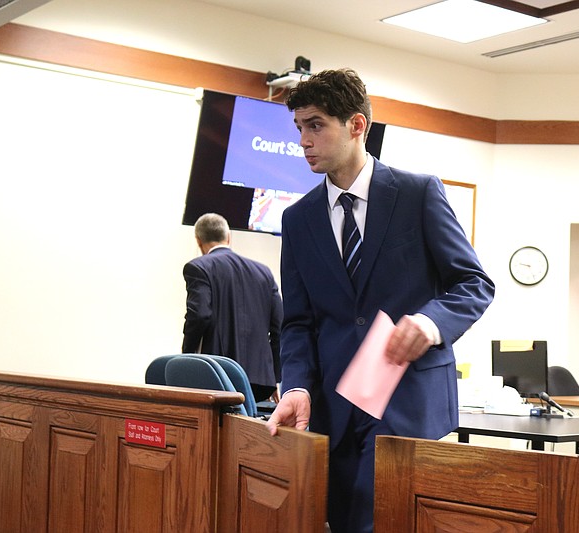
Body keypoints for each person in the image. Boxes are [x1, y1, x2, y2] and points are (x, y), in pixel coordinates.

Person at [265, 68, 495, 532]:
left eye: (316, 125)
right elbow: (298, 324)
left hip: (409, 403)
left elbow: (474, 283)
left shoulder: (417, 193)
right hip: (335, 410)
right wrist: (296, 387)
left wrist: (430, 324)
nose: (303, 141)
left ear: (356, 126)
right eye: (299, 129)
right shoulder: (298, 219)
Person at [182, 213, 282, 402]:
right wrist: (275, 376)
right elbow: (279, 327)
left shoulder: (198, 267)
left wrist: (186, 359)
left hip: (217, 375)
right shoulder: (264, 272)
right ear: (229, 237)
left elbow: (200, 315)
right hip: (261, 379)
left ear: (198, 240)